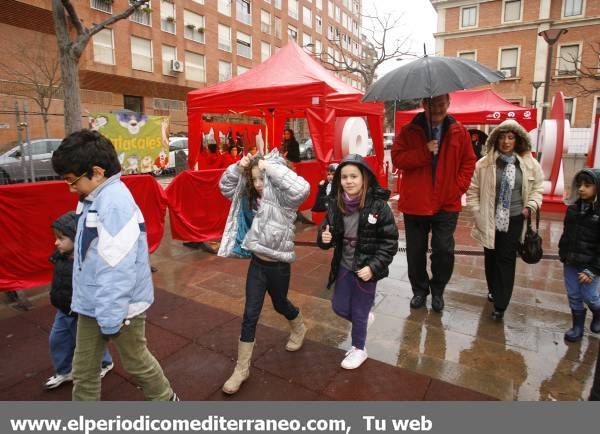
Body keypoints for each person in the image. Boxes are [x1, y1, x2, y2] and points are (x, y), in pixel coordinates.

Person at [51, 129, 178, 401]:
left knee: (136, 361)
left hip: (119, 307)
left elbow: (117, 270)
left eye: (73, 180)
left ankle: (166, 400)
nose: (70, 187)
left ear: (97, 172)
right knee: (84, 369)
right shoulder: (94, 197)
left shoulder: (115, 204)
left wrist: (110, 319)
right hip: (94, 301)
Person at [217, 149, 310, 394]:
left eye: (261, 178)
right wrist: (239, 167)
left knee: (280, 304)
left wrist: (270, 167)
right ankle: (242, 368)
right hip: (257, 265)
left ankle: (299, 325)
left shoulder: (284, 198)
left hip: (278, 266)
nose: (257, 184)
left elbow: (302, 188)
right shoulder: (248, 195)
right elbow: (225, 187)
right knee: (250, 313)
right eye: (254, 179)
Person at [391, 94, 476, 312]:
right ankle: (420, 290)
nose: (437, 108)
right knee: (415, 251)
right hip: (416, 203)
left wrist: (458, 188)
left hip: (446, 203)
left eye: (441, 104)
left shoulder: (460, 131)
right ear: (423, 105)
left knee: (443, 250)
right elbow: (398, 159)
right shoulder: (409, 131)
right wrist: (424, 151)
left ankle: (438, 290)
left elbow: (469, 161)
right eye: (432, 104)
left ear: (448, 103)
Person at [317, 154, 398, 369]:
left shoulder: (378, 206)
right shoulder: (335, 203)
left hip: (365, 268)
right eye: (344, 177)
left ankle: (359, 349)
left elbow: (389, 242)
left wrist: (373, 267)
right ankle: (362, 322)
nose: (349, 181)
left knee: (360, 311)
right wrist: (324, 238)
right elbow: (326, 230)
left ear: (364, 178)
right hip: (344, 264)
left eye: (354, 176)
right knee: (339, 306)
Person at [466, 120, 544, 320]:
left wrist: (530, 207)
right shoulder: (483, 164)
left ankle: (501, 303)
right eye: (502, 137)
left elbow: (538, 189)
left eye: (510, 137)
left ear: (517, 140)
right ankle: (493, 289)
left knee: (506, 259)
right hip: (489, 219)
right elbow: (473, 192)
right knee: (491, 257)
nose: (506, 141)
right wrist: (477, 212)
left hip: (516, 218)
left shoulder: (529, 163)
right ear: (496, 139)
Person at [44, 211, 114, 390]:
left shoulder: (86, 261)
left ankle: (105, 362)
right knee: (56, 340)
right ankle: (65, 370)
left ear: (76, 238)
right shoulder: (59, 256)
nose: (56, 242)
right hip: (62, 310)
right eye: (56, 238)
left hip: (80, 311)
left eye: (61, 238)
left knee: (87, 342)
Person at [558, 168, 600, 342]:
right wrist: (563, 252)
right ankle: (577, 327)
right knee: (574, 294)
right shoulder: (573, 209)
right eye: (580, 185)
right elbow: (566, 234)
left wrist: (592, 270)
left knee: (589, 296)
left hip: (591, 265)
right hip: (571, 261)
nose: (582, 189)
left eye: (587, 185)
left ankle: (598, 314)